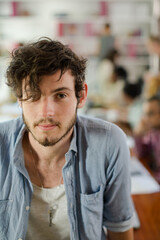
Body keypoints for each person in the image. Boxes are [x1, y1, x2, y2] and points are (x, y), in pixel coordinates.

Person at [0, 38, 134, 240]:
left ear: (81, 96)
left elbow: (120, 230)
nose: (47, 112)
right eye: (33, 96)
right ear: (19, 99)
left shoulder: (109, 143)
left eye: (60, 95)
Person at [134, 95, 160, 184]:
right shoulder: (153, 132)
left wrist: (153, 178)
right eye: (145, 114)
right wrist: (138, 134)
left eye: (150, 114)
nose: (146, 119)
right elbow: (141, 153)